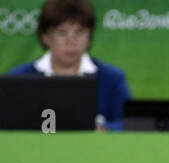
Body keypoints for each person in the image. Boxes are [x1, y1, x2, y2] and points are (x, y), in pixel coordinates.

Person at [5, 0, 131, 131]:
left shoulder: (112, 78)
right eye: (62, 33)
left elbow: (129, 124)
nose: (70, 42)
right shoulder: (18, 78)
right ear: (45, 37)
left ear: (89, 37)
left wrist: (104, 129)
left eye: (79, 32)